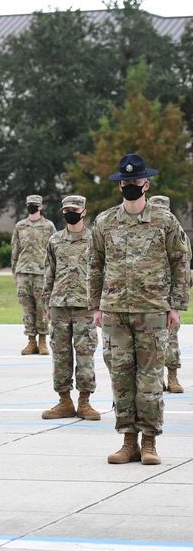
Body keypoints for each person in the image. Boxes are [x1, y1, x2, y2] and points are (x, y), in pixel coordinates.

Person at [90, 153, 189, 466]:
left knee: (149, 381)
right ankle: (127, 441)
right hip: (115, 313)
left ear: (146, 183)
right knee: (121, 379)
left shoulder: (164, 221)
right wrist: (95, 306)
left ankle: (149, 443)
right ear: (120, 186)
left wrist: (176, 305)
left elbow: (181, 262)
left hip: (152, 312)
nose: (131, 185)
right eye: (126, 181)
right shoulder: (105, 222)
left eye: (136, 180)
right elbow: (94, 265)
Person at [41, 196, 99, 421]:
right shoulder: (55, 240)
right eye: (66, 210)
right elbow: (50, 272)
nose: (69, 213)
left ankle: (85, 401)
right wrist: (48, 302)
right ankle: (64, 400)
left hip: (85, 306)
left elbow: (101, 271)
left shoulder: (94, 239)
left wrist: (99, 304)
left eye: (74, 210)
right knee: (60, 355)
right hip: (59, 306)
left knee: (85, 354)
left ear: (83, 212)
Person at [149, 194, 191, 394]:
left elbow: (184, 266)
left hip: (169, 296)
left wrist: (178, 298)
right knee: (150, 341)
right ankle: (156, 379)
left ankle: (172, 376)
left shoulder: (179, 234)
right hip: (149, 296)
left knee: (171, 338)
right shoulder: (145, 233)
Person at [11, 194, 56, 356]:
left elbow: (53, 251)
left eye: (35, 204)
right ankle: (31, 341)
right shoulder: (20, 226)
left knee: (42, 307)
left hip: (41, 272)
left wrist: (53, 273)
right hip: (23, 271)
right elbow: (15, 250)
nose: (32, 206)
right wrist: (14, 272)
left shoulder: (48, 226)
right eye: (30, 204)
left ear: (41, 206)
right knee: (27, 308)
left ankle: (43, 341)